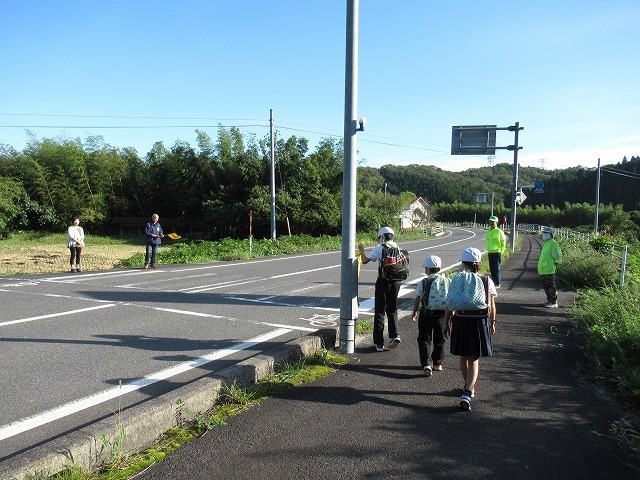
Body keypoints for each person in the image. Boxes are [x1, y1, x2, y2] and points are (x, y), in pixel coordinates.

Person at [444, 247, 497, 411]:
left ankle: (468, 387)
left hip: (460, 320)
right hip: (479, 322)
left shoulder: (457, 279)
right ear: (479, 263)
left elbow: (450, 302)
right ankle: (468, 391)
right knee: (474, 358)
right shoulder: (486, 280)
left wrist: (445, 323)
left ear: (462, 263)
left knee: (463, 356)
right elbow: (492, 305)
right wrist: (493, 322)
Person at [358, 226, 404, 352]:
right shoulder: (398, 248)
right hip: (396, 282)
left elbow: (365, 261)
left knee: (379, 311)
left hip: (383, 282)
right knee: (392, 309)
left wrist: (362, 250)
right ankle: (395, 335)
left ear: (382, 237)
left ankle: (379, 343)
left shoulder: (380, 248)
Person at [411, 255, 450, 376]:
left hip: (426, 314)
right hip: (442, 315)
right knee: (440, 338)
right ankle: (438, 363)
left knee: (424, 339)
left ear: (427, 269)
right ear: (439, 268)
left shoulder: (424, 282)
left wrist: (415, 311)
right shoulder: (447, 280)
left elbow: (418, 298)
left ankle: (426, 363)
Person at [537, 226, 563, 308]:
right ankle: (549, 300)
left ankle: (553, 302)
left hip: (549, 269)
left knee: (551, 286)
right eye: (543, 233)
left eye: (546, 233)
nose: (543, 235)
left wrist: (556, 264)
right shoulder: (547, 243)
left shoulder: (553, 243)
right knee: (546, 286)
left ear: (550, 235)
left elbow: (557, 256)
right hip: (544, 269)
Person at [486, 215, 507, 288]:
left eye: (493, 222)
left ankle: (497, 283)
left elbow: (503, 242)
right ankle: (494, 283)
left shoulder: (499, 231)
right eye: (490, 221)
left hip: (497, 252)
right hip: (490, 252)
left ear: (496, 222)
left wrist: (502, 251)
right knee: (492, 269)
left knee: (496, 268)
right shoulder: (488, 231)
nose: (491, 223)